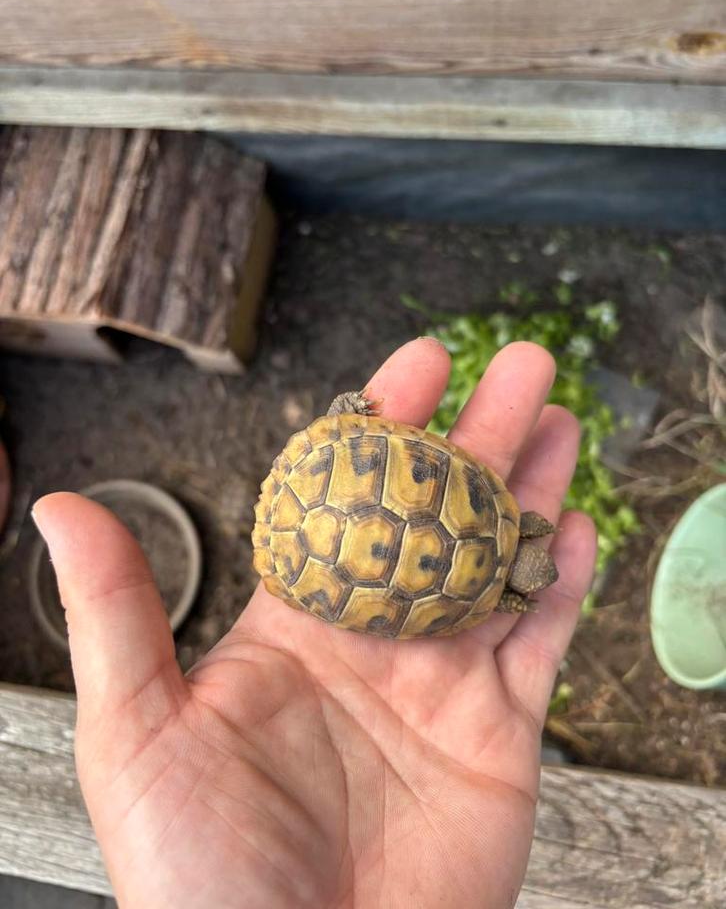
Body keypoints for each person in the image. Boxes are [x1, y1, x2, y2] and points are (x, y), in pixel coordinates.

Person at [33, 338, 596, 909]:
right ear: (523, 545)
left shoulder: (493, 512)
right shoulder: (480, 595)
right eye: (523, 590)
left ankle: (341, 423)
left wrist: (343, 422)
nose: (530, 589)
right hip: (328, 525)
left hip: (334, 480)